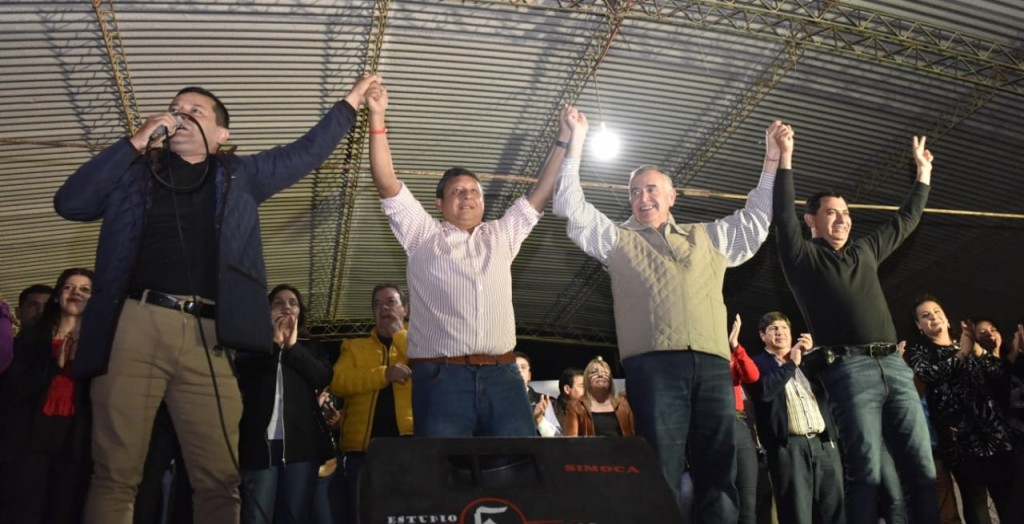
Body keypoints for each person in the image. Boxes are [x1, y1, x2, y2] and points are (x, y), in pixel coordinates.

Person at [52, 74, 380, 523]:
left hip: (210, 335)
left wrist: (351, 102)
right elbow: (71, 203)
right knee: (116, 470)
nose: (181, 114)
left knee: (219, 475)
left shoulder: (242, 175)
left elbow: (306, 152)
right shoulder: (135, 172)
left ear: (222, 134)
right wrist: (135, 142)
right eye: (176, 107)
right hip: (135, 323)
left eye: (195, 110)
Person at [553, 109, 782, 520]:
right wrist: (577, 142)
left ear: (672, 196)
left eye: (651, 189)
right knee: (661, 470)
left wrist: (771, 162)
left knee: (719, 470)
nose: (643, 198)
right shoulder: (617, 240)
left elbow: (755, 221)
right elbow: (570, 205)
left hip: (712, 365)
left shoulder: (706, 236)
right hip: (654, 367)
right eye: (634, 192)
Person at [365, 84, 567, 438]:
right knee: (446, 465)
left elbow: (541, 193)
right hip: (441, 377)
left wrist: (564, 139)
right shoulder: (422, 234)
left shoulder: (502, 235)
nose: (468, 196)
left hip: (503, 375)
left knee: (515, 461)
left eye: (474, 191)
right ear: (439, 204)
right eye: (457, 191)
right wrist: (377, 117)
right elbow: (386, 183)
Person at [772, 124, 939, 523]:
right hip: (849, 370)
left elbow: (905, 220)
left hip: (895, 368)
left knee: (922, 470)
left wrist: (923, 175)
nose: (842, 220)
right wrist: (785, 157)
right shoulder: (803, 258)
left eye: (846, 214)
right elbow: (782, 216)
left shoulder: (865, 251)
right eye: (831, 213)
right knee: (866, 473)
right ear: (811, 220)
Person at [903, 297, 1015, 524]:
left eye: (937, 311)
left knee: (1009, 504)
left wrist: (976, 349)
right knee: (976, 505)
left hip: (995, 437)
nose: (934, 317)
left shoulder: (966, 344)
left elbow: (1000, 376)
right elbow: (927, 374)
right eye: (925, 315)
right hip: (961, 443)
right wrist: (962, 355)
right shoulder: (919, 351)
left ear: (946, 318)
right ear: (918, 325)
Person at [0, 268, 94, 524]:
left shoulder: (100, 342)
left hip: (76, 436)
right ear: (57, 295)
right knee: (24, 509)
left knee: (65, 509)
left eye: (84, 289)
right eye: (68, 287)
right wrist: (53, 365)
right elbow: (15, 388)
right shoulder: (32, 338)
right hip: (31, 435)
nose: (76, 293)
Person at [235, 284, 334, 523]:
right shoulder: (252, 346)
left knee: (295, 515)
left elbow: (322, 377)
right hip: (259, 446)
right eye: (278, 302)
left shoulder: (310, 346)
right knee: (256, 516)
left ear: (300, 313)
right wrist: (274, 344)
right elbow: (242, 372)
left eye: (293, 303)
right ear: (266, 311)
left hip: (302, 447)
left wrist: (292, 347)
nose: (286, 307)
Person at [749, 311, 844, 524]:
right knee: (796, 513)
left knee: (834, 511)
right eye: (773, 328)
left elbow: (832, 388)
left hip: (824, 444)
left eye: (784, 328)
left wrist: (811, 356)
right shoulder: (757, 363)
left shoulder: (807, 361)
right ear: (762, 335)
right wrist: (791, 364)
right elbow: (763, 392)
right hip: (789, 447)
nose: (780, 332)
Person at [330, 283, 413, 523]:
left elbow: (428, 366)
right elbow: (338, 382)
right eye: (377, 304)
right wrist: (384, 374)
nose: (384, 308)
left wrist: (399, 334)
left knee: (409, 513)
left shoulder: (421, 343)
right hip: (363, 452)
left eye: (391, 302)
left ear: (405, 309)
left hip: (410, 447)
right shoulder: (354, 347)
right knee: (363, 515)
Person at [726, 315, 763, 524]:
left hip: (740, 423)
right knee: (720, 498)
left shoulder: (732, 356)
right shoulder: (702, 359)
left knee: (747, 499)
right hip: (712, 425)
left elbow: (752, 376)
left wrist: (735, 345)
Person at [563, 357, 634, 437]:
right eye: (594, 372)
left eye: (605, 372)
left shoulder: (623, 405)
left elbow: (633, 437)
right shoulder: (575, 406)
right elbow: (571, 440)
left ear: (610, 379)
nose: (600, 375)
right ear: (586, 380)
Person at [514, 352, 562, 436]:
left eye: (523, 367)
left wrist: (539, 418)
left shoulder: (542, 400)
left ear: (529, 375)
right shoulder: (497, 400)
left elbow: (557, 437)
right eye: (514, 368)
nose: (519, 371)